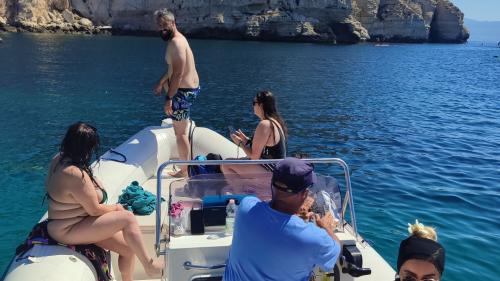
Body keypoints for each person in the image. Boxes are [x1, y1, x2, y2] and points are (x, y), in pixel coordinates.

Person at [46, 122, 162, 281]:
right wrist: (117, 208)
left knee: (128, 249)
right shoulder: (74, 174)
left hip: (75, 222)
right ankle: (149, 265)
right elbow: (94, 210)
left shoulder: (58, 159)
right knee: (127, 218)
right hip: (67, 230)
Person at [223, 158, 341, 281]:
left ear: (271, 184)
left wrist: (294, 214)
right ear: (305, 194)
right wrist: (325, 227)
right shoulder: (314, 238)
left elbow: (271, 213)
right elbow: (335, 251)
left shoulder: (245, 207)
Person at [153, 8, 200, 177]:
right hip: (187, 89)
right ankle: (185, 168)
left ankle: (184, 171)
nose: (161, 29)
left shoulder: (176, 43)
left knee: (180, 134)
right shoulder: (177, 40)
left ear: (173, 23)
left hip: (183, 92)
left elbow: (179, 73)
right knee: (181, 131)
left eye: (164, 25)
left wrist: (169, 98)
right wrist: (161, 82)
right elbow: (173, 68)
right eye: (159, 26)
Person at [222, 90, 287, 175]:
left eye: (254, 102)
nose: (253, 105)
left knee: (226, 164)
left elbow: (254, 157)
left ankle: (237, 188)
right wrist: (246, 140)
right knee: (235, 161)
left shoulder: (265, 124)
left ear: (261, 105)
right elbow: (264, 146)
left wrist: (240, 143)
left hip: (271, 172)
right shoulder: (275, 122)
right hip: (275, 168)